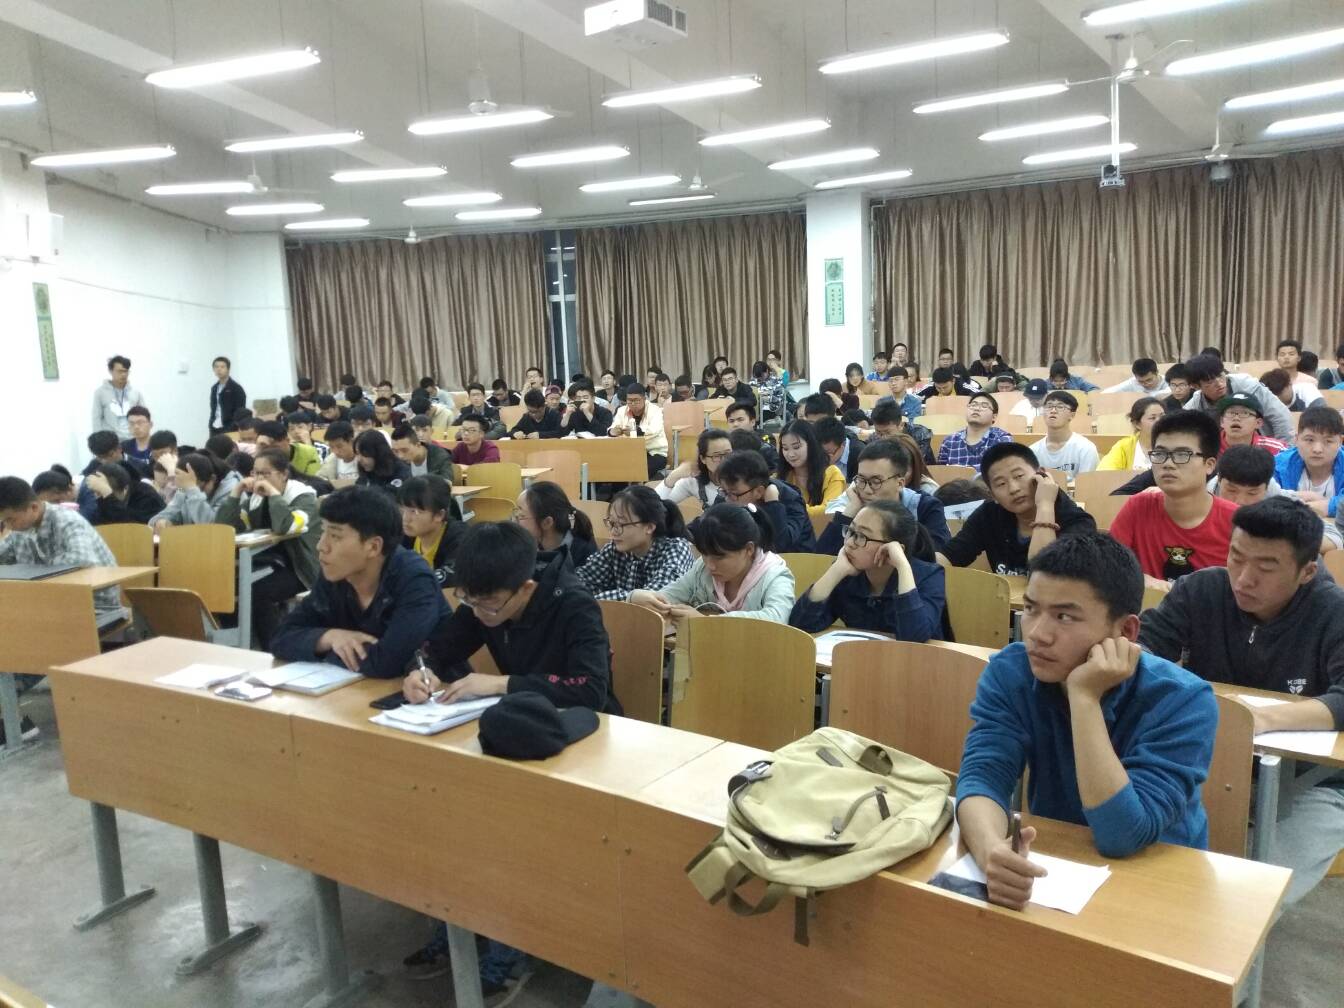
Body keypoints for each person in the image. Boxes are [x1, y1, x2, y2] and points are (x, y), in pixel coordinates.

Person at [956, 533, 1217, 910]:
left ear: (1125, 631)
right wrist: (991, 851)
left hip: (1160, 882)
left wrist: (1084, 698)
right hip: (1059, 869)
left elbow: (1123, 835)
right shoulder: (1011, 671)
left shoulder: (1183, 699)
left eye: (1064, 616)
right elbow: (983, 777)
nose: (1037, 634)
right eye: (1031, 609)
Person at [1138, 497, 1344, 908]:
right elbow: (1143, 650)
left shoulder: (1332, 610)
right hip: (1205, 762)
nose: (1244, 579)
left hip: (1313, 781)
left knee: (1248, 899)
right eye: (1236, 557)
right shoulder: (1201, 590)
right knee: (1155, 872)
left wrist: (1259, 719)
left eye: (1266, 567)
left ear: (1307, 571)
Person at [271, 485, 448, 679]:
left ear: (373, 546)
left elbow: (386, 663)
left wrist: (322, 652)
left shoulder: (414, 580)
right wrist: (329, 637)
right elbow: (280, 639)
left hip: (433, 691)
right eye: (323, 532)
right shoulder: (337, 573)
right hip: (358, 689)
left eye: (335, 536)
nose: (321, 546)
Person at [1108, 411, 1236, 583]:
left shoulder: (1235, 522)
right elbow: (1109, 569)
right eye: (1160, 454)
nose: (1168, 464)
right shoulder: (1138, 507)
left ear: (1209, 465)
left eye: (1182, 455)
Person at [791, 499, 944, 642]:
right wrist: (835, 571)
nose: (849, 543)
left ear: (892, 548)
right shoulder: (848, 573)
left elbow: (914, 638)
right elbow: (800, 625)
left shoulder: (929, 576)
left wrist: (903, 567)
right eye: (850, 531)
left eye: (861, 536)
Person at [216, 447, 322, 647]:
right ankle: (237, 645)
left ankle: (273, 648)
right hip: (268, 563)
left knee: (257, 591)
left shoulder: (304, 497)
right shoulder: (255, 499)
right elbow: (225, 528)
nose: (259, 479)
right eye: (256, 473)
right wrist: (236, 492)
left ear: (283, 474)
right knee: (226, 587)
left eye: (265, 473)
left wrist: (273, 494)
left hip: (300, 568)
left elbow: (286, 526)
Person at [938, 441, 1095, 575]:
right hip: (1005, 601)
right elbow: (951, 556)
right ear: (992, 495)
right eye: (1001, 483)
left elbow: (1042, 574)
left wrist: (1045, 505)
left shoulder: (1077, 521)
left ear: (1041, 474)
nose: (1013, 489)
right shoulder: (989, 515)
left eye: (1019, 476)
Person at [629, 503, 795, 623]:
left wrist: (708, 622)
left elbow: (777, 618)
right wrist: (639, 597)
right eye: (704, 555)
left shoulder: (774, 575)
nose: (710, 565)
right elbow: (670, 595)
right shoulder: (702, 568)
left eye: (719, 557)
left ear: (749, 549)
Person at [0, 476, 124, 633]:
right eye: (3, 521)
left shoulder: (67, 520)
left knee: (19, 630)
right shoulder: (21, 530)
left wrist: (32, 571)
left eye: (10, 520)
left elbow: (82, 560)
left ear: (33, 507)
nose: (8, 526)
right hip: (50, 604)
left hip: (95, 606)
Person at [819, 438, 951, 554]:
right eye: (861, 479)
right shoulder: (856, 500)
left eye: (876, 481)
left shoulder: (926, 507)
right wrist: (848, 514)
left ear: (900, 483)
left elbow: (936, 559)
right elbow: (822, 558)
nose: (867, 490)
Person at [576, 486, 693, 601]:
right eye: (611, 523)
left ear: (649, 527)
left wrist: (630, 598)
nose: (613, 532)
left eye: (621, 524)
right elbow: (579, 583)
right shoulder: (614, 549)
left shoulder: (676, 550)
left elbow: (655, 598)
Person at [715, 449, 815, 553]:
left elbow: (780, 546)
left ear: (758, 491)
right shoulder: (729, 493)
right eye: (725, 492)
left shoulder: (791, 500)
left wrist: (773, 504)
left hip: (796, 560)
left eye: (734, 494)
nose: (727, 499)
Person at [1182, 353, 1294, 440]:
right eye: (1210, 381)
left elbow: (1280, 417)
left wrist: (1283, 454)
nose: (1219, 383)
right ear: (1196, 386)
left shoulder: (1249, 386)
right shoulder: (1194, 406)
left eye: (1220, 375)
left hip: (1263, 445)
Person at [1273, 404, 1344, 519]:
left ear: (1340, 442)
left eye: (1328, 441)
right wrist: (1310, 498)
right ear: (1296, 439)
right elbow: (1263, 497)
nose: (1317, 449)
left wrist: (1328, 505)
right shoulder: (1277, 465)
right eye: (1309, 440)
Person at [397, 474, 466, 588]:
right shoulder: (404, 535)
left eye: (414, 511)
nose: (405, 518)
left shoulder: (460, 538)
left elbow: (451, 580)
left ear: (439, 515)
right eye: (402, 509)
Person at [514, 480, 598, 569]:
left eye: (521, 516)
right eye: (516, 513)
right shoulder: (526, 544)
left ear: (547, 523)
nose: (514, 521)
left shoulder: (583, 554)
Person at [776, 420, 845, 519]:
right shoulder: (781, 476)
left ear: (811, 445)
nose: (791, 454)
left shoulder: (832, 474)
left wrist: (790, 510)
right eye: (785, 449)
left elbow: (829, 511)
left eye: (796, 447)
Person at [151, 453, 239, 528]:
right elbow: (160, 517)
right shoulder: (184, 488)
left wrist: (192, 489)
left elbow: (213, 527)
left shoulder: (231, 490)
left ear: (212, 479)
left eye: (200, 489)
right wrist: (161, 522)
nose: (198, 493)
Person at [936, 392, 1014, 471]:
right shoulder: (950, 441)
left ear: (994, 416)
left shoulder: (1001, 439)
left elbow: (1004, 468)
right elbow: (941, 471)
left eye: (984, 406)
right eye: (973, 405)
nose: (976, 409)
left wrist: (965, 471)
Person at [1030, 391, 1099, 477]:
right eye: (1049, 406)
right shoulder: (1033, 451)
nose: (1053, 411)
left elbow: (1085, 483)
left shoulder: (1085, 448)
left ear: (1072, 415)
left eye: (1060, 407)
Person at [657, 428, 731, 507]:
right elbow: (653, 505)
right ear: (703, 459)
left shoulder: (740, 478)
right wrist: (674, 476)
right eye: (716, 456)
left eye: (728, 454)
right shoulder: (693, 481)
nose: (724, 460)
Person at [609, 384, 668, 479]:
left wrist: (635, 431)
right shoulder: (621, 411)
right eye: (629, 400)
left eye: (636, 400)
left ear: (644, 398)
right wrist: (613, 432)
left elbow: (654, 430)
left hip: (654, 452)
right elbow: (612, 428)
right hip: (629, 452)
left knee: (637, 471)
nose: (632, 403)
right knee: (616, 471)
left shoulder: (655, 410)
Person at [84, 462, 165, 525]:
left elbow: (133, 526)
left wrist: (108, 494)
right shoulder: (103, 498)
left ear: (125, 489)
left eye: (102, 493)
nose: (99, 497)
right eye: (97, 493)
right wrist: (104, 494)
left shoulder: (147, 496)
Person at [1097, 397, 1165, 471]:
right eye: (1152, 418)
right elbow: (1104, 473)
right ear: (1137, 424)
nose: (1160, 421)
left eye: (1162, 416)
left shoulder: (1173, 445)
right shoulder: (1124, 447)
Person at [92, 354, 147, 440]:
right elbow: (96, 419)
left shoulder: (135, 393)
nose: (123, 374)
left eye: (126, 371)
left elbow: (144, 417)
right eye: (120, 371)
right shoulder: (100, 393)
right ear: (110, 371)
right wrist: (98, 441)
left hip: (133, 440)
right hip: (111, 442)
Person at [1217, 393, 1287, 456]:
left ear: (1258, 423)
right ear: (1222, 421)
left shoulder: (1276, 450)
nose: (1236, 418)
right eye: (1231, 413)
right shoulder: (1212, 447)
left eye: (1244, 413)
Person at [723, 402, 781, 468]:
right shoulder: (724, 442)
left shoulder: (765, 438)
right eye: (731, 421)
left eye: (740, 420)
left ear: (752, 422)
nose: (735, 424)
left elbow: (774, 467)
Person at [255, 420, 321, 476]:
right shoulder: (261, 454)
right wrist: (258, 450)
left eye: (276, 447)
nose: (272, 452)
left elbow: (314, 480)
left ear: (287, 440)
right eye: (267, 448)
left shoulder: (309, 452)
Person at [1275, 339, 1325, 405]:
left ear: (1299, 358)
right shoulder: (1270, 381)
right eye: (1282, 354)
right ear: (1277, 358)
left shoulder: (1310, 381)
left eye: (1291, 354)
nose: (1286, 357)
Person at [814, 417, 864, 481]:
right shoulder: (810, 449)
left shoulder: (860, 456)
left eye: (827, 453)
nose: (822, 458)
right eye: (818, 452)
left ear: (843, 444)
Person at [208, 356, 247, 435]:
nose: (219, 369)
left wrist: (232, 427)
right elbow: (213, 409)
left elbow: (240, 412)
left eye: (222, 367)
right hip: (214, 427)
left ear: (228, 369)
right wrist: (210, 424)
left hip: (230, 428)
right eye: (216, 367)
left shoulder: (236, 388)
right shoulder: (214, 388)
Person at [1102, 358, 1167, 395]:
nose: (1146, 384)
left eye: (1149, 380)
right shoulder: (1133, 382)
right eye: (1141, 381)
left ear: (1157, 372)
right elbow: (1107, 392)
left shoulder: (1168, 381)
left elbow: (1170, 392)